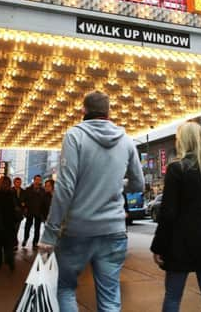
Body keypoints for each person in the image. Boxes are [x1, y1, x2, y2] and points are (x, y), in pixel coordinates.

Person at [37, 90, 144, 312]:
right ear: (108, 112)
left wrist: (50, 233)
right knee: (110, 298)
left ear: (83, 110)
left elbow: (65, 187)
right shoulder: (126, 140)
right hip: (114, 231)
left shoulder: (74, 136)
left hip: (77, 230)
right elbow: (138, 185)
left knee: (65, 288)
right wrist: (115, 184)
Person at [150, 121, 201, 312]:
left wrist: (158, 246)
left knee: (173, 297)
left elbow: (168, 213)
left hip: (181, 242)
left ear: (181, 141)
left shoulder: (176, 169)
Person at [0, 176, 17, 271]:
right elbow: (15, 209)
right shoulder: (12, 194)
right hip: (9, 224)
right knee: (8, 245)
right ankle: (10, 261)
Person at [23, 174, 45, 250]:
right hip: (30, 211)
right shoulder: (28, 189)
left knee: (37, 228)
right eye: (36, 179)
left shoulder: (43, 190)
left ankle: (35, 242)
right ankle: (25, 239)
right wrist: (25, 208)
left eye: (39, 180)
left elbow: (44, 201)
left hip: (39, 212)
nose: (38, 181)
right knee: (27, 227)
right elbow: (25, 200)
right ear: (34, 180)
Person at [12, 176, 26, 249]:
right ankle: (14, 242)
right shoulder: (11, 191)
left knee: (16, 228)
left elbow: (25, 201)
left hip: (19, 214)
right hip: (12, 214)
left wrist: (23, 206)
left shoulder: (23, 191)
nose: (19, 184)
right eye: (17, 182)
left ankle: (14, 242)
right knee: (13, 228)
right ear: (14, 183)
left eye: (20, 182)